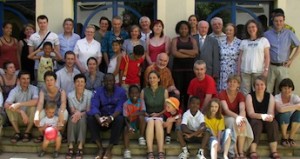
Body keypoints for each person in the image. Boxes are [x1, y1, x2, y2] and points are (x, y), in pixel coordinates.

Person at [87, 73, 127, 159]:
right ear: (103, 82)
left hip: (113, 118)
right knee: (90, 118)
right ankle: (100, 148)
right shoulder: (98, 91)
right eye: (107, 81)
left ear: (114, 81)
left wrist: (111, 118)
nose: (109, 82)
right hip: (101, 118)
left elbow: (120, 107)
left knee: (120, 118)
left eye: (111, 80)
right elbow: (94, 106)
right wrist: (99, 119)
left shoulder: (121, 91)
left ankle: (109, 148)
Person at [219, 75, 253, 159]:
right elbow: (226, 110)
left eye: (234, 82)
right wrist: (237, 118)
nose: (232, 84)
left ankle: (241, 152)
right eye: (230, 82)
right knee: (232, 121)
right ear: (227, 83)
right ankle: (234, 152)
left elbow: (242, 109)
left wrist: (241, 119)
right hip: (225, 117)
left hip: (236, 117)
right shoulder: (222, 94)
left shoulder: (240, 95)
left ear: (238, 84)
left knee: (243, 121)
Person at [264, 13, 300, 94]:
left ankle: (280, 107)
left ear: (284, 21)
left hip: (283, 66)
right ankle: (269, 106)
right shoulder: (267, 34)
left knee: (282, 90)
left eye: (281, 21)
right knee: (268, 90)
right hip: (271, 66)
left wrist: (291, 60)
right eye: (276, 21)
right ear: (273, 21)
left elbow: (298, 46)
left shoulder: (289, 33)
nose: (278, 23)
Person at [245, 76, 280, 159]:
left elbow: (271, 112)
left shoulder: (270, 96)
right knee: (257, 123)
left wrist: (270, 117)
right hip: (254, 119)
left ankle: (274, 151)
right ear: (254, 86)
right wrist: (262, 116)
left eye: (262, 84)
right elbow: (251, 113)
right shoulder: (249, 96)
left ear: (265, 86)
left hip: (266, 120)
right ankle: (253, 151)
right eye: (257, 85)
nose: (259, 87)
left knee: (273, 123)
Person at [34, 71, 68, 143]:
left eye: (51, 80)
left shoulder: (61, 91)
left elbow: (63, 103)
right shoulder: (43, 91)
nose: (49, 82)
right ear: (45, 81)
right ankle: (43, 134)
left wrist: (61, 113)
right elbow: (40, 103)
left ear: (55, 81)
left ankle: (61, 134)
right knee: (40, 113)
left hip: (58, 109)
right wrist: (36, 114)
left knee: (65, 113)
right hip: (48, 110)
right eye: (47, 80)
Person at [237, 19, 270, 96]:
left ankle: (257, 107)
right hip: (245, 71)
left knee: (258, 91)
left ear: (257, 28)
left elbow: (267, 57)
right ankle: (246, 107)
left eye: (253, 27)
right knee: (245, 92)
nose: (251, 29)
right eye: (249, 27)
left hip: (258, 71)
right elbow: (240, 58)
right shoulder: (244, 42)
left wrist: (266, 70)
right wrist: (238, 72)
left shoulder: (263, 41)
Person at [4, 71, 38, 143]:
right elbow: (6, 104)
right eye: (23, 79)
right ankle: (17, 133)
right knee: (9, 108)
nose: (26, 81)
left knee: (33, 107)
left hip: (30, 118)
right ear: (19, 80)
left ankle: (27, 132)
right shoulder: (14, 91)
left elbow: (35, 101)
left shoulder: (34, 88)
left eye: (28, 78)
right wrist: (21, 111)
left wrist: (19, 104)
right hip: (19, 118)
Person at [141, 70, 168, 159]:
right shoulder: (144, 91)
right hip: (147, 115)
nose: (152, 80)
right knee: (151, 122)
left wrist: (158, 114)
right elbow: (141, 107)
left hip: (160, 115)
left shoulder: (164, 91)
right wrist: (147, 114)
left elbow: (166, 108)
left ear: (159, 79)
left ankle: (161, 151)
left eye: (154, 78)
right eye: (150, 78)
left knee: (157, 122)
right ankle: (150, 151)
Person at [171, 20, 198, 108]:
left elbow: (196, 52)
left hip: (190, 70)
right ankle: (176, 111)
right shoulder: (175, 40)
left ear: (188, 29)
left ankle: (187, 111)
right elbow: (174, 53)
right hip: (177, 70)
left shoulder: (192, 40)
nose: (184, 30)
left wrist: (182, 51)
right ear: (178, 30)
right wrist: (190, 55)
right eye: (181, 28)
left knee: (188, 92)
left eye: (186, 28)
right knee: (178, 92)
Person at [65, 74, 92, 159]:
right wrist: (77, 114)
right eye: (77, 81)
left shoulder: (89, 94)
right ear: (74, 83)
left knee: (82, 119)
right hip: (75, 114)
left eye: (82, 82)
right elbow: (72, 109)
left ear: (85, 83)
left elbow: (88, 109)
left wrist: (80, 114)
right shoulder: (70, 95)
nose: (79, 84)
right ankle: (71, 146)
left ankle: (80, 146)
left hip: (85, 115)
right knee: (72, 119)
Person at [28, 15, 60, 82]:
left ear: (47, 23)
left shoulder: (54, 36)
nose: (42, 25)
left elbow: (57, 53)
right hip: (38, 65)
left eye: (44, 22)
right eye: (40, 23)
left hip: (52, 65)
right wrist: (38, 53)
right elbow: (31, 55)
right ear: (38, 23)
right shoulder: (33, 37)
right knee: (39, 85)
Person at [275, 78, 300, 147]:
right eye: (285, 88)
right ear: (281, 88)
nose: (287, 90)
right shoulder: (277, 97)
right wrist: (295, 106)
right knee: (285, 114)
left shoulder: (294, 97)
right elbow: (280, 110)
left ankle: (291, 138)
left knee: (299, 114)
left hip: (290, 123)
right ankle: (284, 138)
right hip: (280, 122)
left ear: (292, 89)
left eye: (289, 88)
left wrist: (286, 107)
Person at [123, 85, 146, 159]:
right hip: (130, 123)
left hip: (138, 122)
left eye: (136, 93)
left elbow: (143, 112)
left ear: (139, 94)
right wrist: (129, 126)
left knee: (141, 117)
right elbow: (125, 118)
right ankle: (127, 150)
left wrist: (133, 114)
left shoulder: (141, 101)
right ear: (129, 94)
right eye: (132, 93)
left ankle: (141, 137)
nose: (134, 95)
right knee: (126, 129)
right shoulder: (126, 104)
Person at [219, 23, 241, 91]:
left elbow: (241, 58)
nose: (228, 32)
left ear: (234, 31)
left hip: (234, 69)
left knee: (233, 88)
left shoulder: (239, 42)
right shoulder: (221, 42)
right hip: (223, 70)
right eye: (227, 30)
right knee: (224, 89)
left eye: (230, 30)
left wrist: (239, 72)